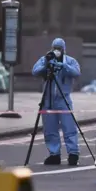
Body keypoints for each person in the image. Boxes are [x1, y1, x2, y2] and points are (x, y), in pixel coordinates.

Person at [32, 38, 82, 166]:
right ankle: (54, 154)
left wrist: (63, 66)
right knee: (50, 129)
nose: (57, 50)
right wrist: (46, 64)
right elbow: (35, 71)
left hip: (63, 99)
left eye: (59, 48)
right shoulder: (46, 59)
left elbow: (76, 72)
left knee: (69, 127)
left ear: (64, 49)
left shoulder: (70, 61)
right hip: (48, 99)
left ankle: (73, 153)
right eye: (55, 47)